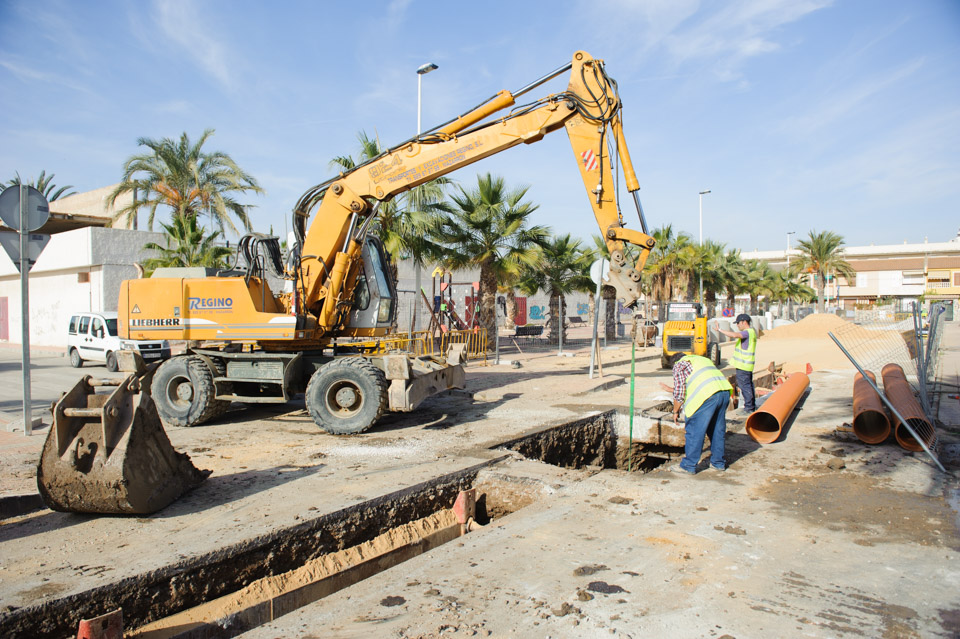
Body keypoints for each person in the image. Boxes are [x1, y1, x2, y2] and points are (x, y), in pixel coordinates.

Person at [659, 354, 733, 474]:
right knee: (716, 430)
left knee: (694, 431)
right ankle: (718, 463)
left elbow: (680, 393)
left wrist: (675, 411)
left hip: (707, 396)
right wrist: (671, 389)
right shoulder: (701, 360)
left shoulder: (679, 365)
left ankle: (688, 465)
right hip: (723, 392)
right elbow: (698, 382)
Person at [717, 313, 757, 414]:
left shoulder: (747, 332)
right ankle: (752, 406)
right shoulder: (752, 332)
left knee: (745, 386)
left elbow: (735, 335)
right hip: (747, 365)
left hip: (743, 365)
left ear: (744, 322)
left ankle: (749, 408)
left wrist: (720, 330)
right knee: (749, 385)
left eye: (738, 323)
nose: (738, 325)